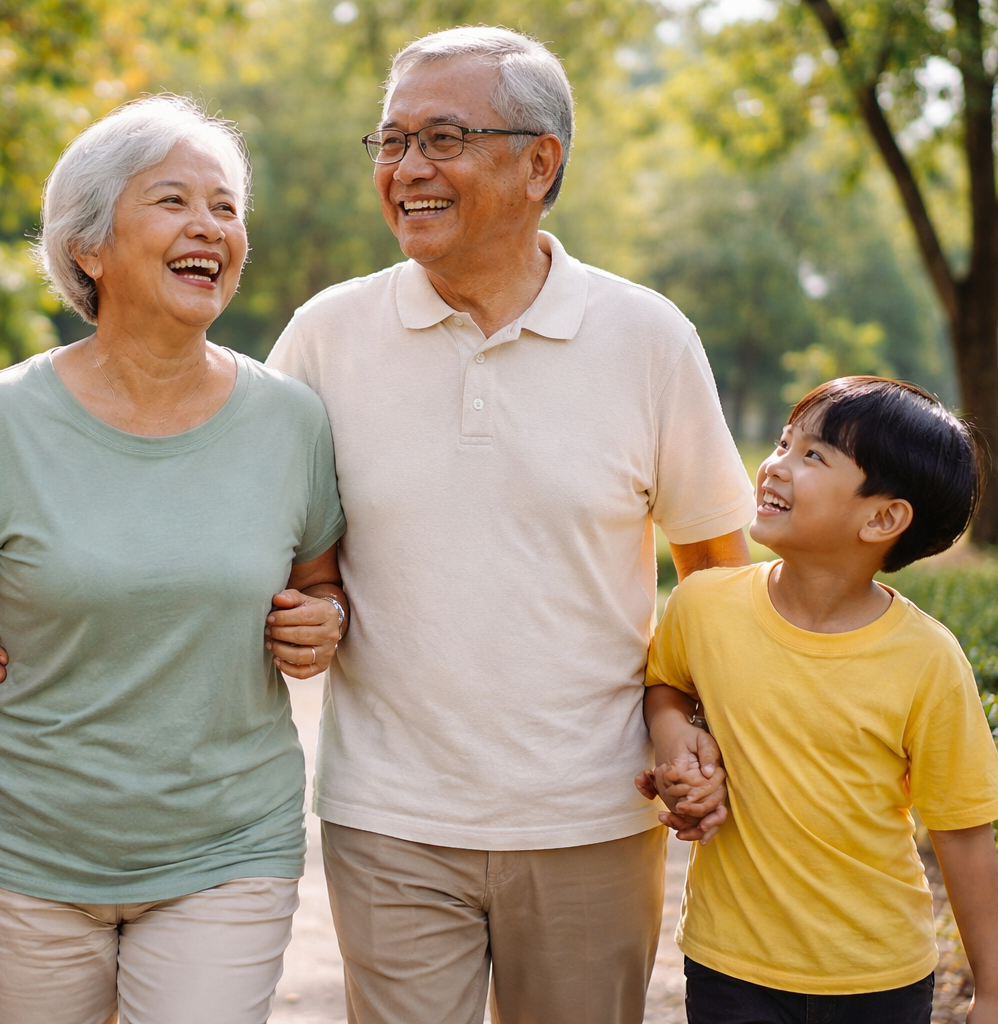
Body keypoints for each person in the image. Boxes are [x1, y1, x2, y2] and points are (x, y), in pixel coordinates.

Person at [264, 26, 751, 1024]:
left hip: (593, 814)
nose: (406, 169)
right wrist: (314, 607)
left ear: (541, 163)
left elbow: (716, 574)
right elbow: (258, 534)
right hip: (389, 816)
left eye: (443, 139)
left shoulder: (648, 338)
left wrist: (693, 730)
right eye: (391, 141)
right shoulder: (324, 335)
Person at [0, 95, 347, 1024]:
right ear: (88, 247)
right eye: (173, 201)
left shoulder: (292, 422)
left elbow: (322, 583)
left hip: (227, 845)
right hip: (18, 851)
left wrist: (325, 619)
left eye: (225, 207)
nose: (209, 226)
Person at [641, 376, 998, 1024]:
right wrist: (673, 733)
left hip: (880, 974)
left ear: (882, 518)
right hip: (731, 965)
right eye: (784, 442)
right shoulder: (703, 605)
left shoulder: (927, 660)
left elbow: (961, 831)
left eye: (813, 455)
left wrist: (995, 994)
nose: (775, 465)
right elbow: (665, 683)